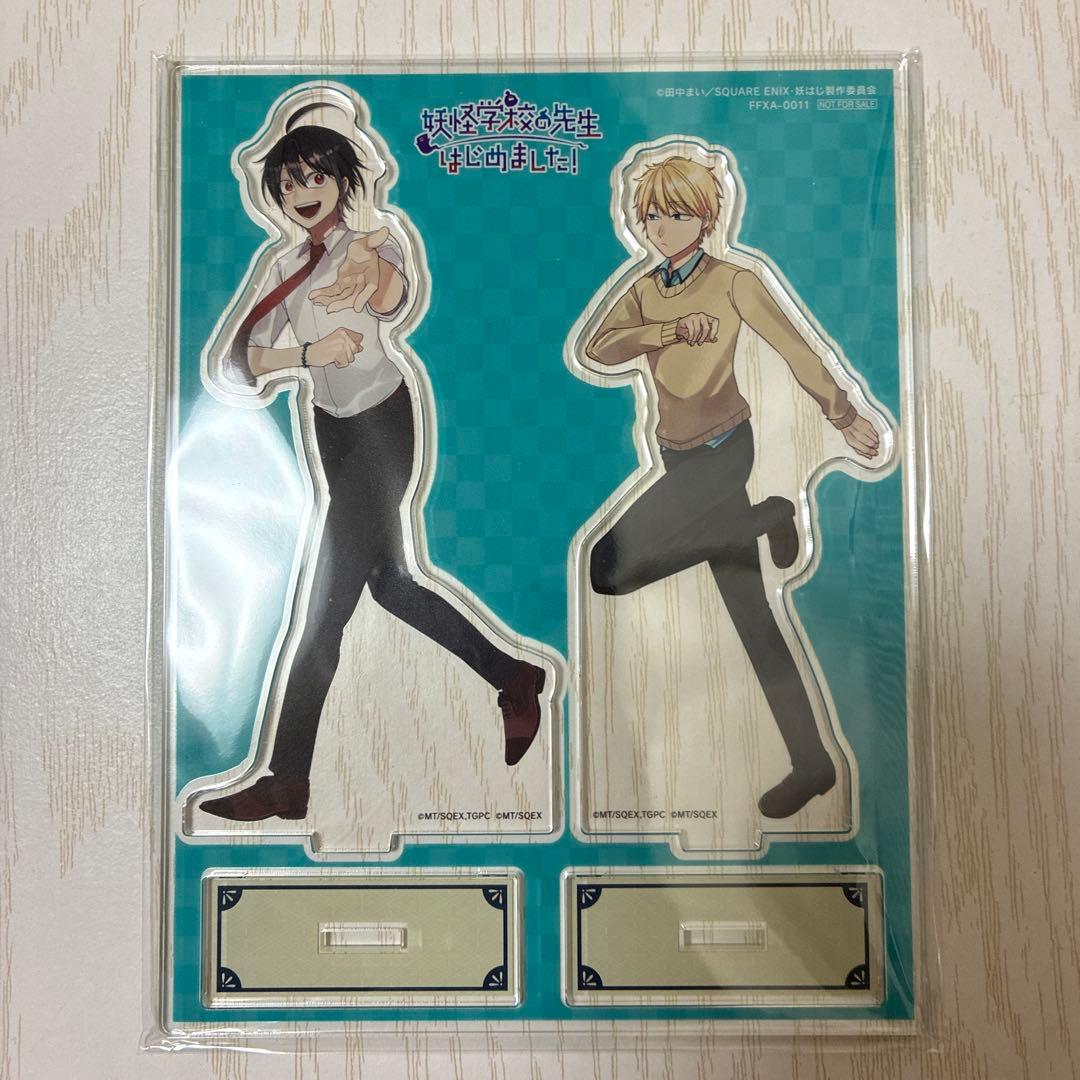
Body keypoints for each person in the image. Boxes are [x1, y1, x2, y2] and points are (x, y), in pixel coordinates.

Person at [202, 104, 544, 822]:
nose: (301, 192)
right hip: (332, 431)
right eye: (288, 182)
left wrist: (368, 260)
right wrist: (309, 354)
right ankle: (513, 674)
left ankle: (287, 781)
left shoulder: (373, 242)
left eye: (315, 176)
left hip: (384, 422)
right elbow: (244, 362)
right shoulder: (284, 266)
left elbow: (392, 298)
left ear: (342, 180)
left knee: (322, 613)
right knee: (390, 585)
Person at [583, 155, 879, 819]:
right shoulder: (646, 290)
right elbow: (599, 348)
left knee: (609, 567)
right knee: (755, 620)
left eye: (676, 213)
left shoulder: (734, 281)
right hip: (677, 457)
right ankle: (814, 762)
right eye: (651, 215)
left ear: (706, 217)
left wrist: (843, 414)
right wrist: (664, 330)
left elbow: (796, 348)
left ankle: (766, 513)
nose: (661, 227)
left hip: (724, 453)